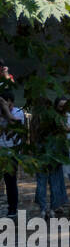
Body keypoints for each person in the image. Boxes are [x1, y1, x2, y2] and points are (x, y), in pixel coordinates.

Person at [32, 97, 70, 218]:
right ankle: (54, 208)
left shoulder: (35, 119)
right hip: (55, 153)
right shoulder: (55, 118)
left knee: (41, 181)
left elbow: (33, 137)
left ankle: (43, 209)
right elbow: (65, 130)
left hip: (40, 152)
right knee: (55, 180)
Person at [0, 89, 25, 218]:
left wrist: (5, 109)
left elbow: (14, 123)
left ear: (12, 103)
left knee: (10, 181)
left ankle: (12, 209)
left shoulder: (18, 112)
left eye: (8, 104)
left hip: (12, 150)